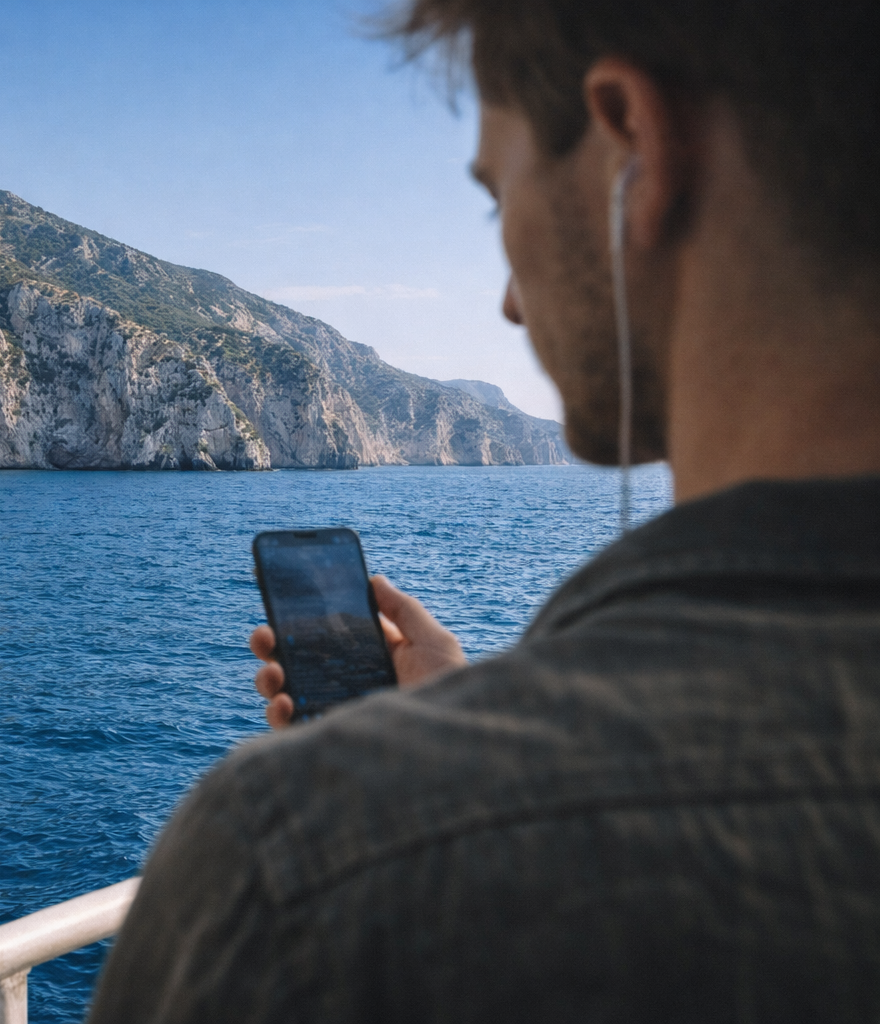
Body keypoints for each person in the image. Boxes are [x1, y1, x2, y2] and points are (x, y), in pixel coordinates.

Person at [86, 1, 880, 1020]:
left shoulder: (290, 862)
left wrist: (406, 778)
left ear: (630, 141)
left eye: (497, 193)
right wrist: (459, 711)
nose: (507, 301)